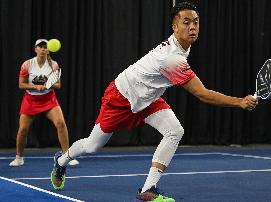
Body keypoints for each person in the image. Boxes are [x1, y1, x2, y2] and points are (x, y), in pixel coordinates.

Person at [50, 2, 258, 201]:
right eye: (186, 22)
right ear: (174, 27)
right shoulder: (172, 59)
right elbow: (201, 93)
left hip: (148, 98)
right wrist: (239, 102)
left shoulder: (182, 45)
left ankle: (148, 189)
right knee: (92, 146)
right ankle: (61, 161)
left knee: (175, 131)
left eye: (196, 21)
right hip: (121, 96)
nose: (192, 26)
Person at [9, 39, 79, 167]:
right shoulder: (27, 64)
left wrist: (47, 86)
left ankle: (67, 156)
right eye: (40, 47)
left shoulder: (54, 65)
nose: (42, 49)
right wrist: (35, 87)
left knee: (61, 123)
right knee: (23, 130)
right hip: (30, 100)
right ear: (35, 49)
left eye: (45, 47)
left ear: (48, 50)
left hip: (49, 99)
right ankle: (19, 157)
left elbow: (58, 85)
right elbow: (21, 84)